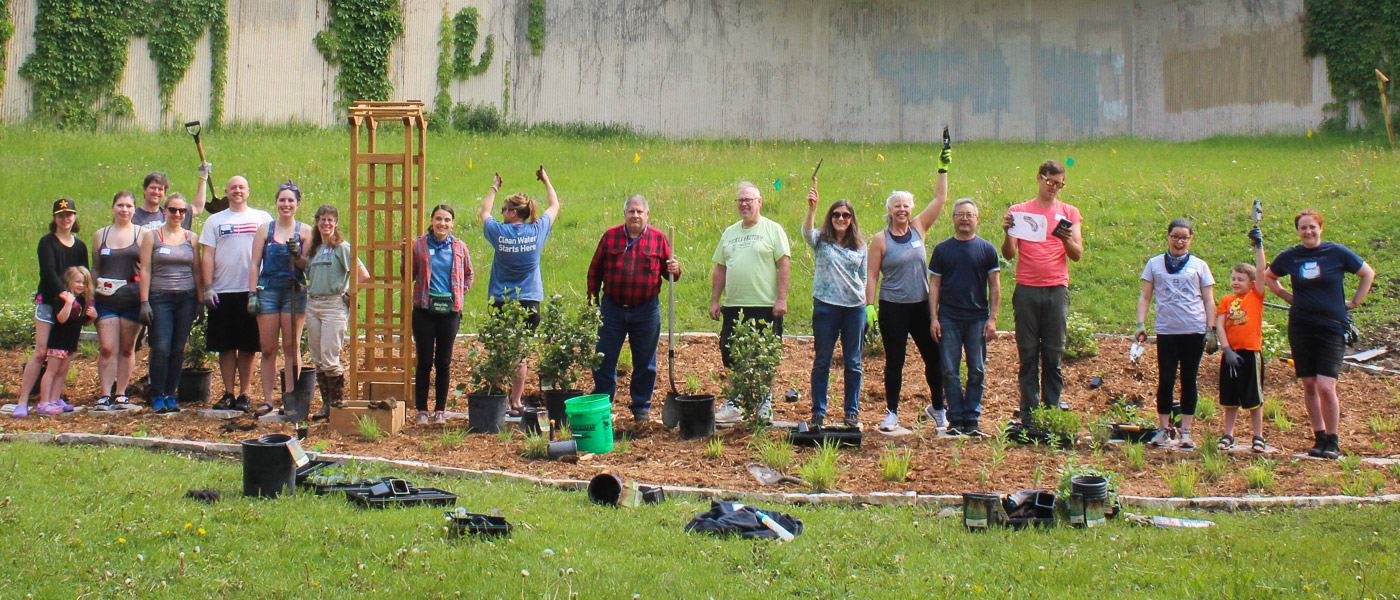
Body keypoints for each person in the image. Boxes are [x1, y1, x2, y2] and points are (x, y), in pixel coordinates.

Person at [1264, 209, 1375, 459]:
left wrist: (1355, 302)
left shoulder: (1336, 253)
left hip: (1331, 327)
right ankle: (1319, 437)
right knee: (1310, 384)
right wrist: (1286, 295)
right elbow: (1269, 276)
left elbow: (1367, 273)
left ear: (1320, 228)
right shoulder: (1291, 256)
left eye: (1312, 227)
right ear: (1298, 232)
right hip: (1301, 326)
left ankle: (1333, 440)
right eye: (1303, 228)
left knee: (1326, 385)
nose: (1308, 232)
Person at [865, 148, 951, 431]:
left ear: (911, 209)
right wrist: (869, 306)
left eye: (906, 205)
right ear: (889, 210)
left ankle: (938, 409)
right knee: (895, 361)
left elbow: (940, 199)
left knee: (934, 358)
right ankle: (891, 412)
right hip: (893, 307)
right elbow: (873, 275)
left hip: (921, 306)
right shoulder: (880, 239)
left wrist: (942, 168)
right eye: (896, 206)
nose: (902, 210)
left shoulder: (919, 228)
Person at [1001, 159, 1084, 421]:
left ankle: (1051, 409)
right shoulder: (1021, 211)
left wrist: (1066, 239)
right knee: (1027, 352)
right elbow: (1009, 254)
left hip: (1056, 288)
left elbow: (1077, 255)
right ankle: (1028, 410)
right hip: (1026, 288)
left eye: (1059, 184)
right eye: (1050, 182)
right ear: (1039, 178)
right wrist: (1007, 232)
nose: (1054, 188)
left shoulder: (1069, 212)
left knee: (1053, 352)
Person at [586, 194, 681, 422]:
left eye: (640, 212)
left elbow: (672, 276)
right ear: (625, 214)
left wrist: (675, 269)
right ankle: (603, 403)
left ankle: (641, 407)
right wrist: (592, 301)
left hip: (645, 310)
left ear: (647, 214)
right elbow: (595, 270)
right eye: (632, 211)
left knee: (645, 362)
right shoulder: (611, 237)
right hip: (613, 309)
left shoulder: (659, 239)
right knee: (603, 358)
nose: (635, 215)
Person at [709, 181, 792, 424]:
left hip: (765, 306)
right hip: (734, 306)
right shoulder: (730, 233)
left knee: (763, 356)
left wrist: (781, 298)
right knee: (732, 356)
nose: (744, 204)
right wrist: (716, 300)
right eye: (740, 200)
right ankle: (734, 404)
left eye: (749, 200)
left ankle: (763, 403)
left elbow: (784, 265)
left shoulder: (773, 230)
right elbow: (720, 268)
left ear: (760, 202)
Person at [480, 169, 560, 416]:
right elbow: (555, 205)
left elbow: (483, 212)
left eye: (504, 209)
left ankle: (496, 398)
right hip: (529, 301)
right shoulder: (537, 231)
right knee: (520, 353)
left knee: (499, 349)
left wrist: (494, 187)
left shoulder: (499, 233)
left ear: (513, 212)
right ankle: (515, 402)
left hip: (503, 301)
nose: (500, 213)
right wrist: (547, 180)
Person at [1134, 218, 1216, 450]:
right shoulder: (1154, 264)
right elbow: (1146, 296)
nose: (1179, 242)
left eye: (1184, 237)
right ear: (1168, 236)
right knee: (1166, 380)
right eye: (1175, 237)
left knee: (1189, 379)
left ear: (1191, 239)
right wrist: (1141, 323)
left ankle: (1186, 432)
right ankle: (1163, 429)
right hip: (1167, 331)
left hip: (1194, 329)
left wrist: (1211, 330)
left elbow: (1209, 299)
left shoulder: (1199, 265)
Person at [928, 198, 1000, 437]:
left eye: (969, 214)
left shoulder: (987, 249)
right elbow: (934, 286)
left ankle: (972, 418)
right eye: (960, 214)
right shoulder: (942, 250)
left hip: (977, 319)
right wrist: (933, 318)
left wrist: (993, 318)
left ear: (977, 219)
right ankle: (955, 419)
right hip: (948, 318)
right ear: (953, 219)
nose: (965, 218)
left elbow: (995, 285)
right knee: (949, 370)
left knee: (977, 370)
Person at [200, 176, 272, 412]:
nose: (237, 191)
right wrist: (208, 286)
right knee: (226, 345)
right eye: (233, 188)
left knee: (248, 345)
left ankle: (245, 394)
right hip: (223, 290)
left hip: (252, 290)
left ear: (249, 191)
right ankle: (228, 392)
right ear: (226, 192)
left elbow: (272, 251)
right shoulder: (214, 221)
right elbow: (208, 255)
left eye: (241, 187)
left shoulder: (262, 218)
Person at [14, 199, 89, 418]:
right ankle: (23, 400)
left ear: (74, 217)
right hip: (50, 302)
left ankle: (54, 397)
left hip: (71, 306)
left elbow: (85, 274)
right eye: (61, 215)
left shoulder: (80, 246)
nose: (65, 219)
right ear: (54, 218)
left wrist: (83, 303)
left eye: (69, 215)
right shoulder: (47, 242)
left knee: (65, 353)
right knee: (40, 351)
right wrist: (65, 295)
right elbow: (48, 272)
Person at [801, 185, 866, 429]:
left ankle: (851, 412)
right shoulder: (821, 240)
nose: (840, 218)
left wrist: (866, 305)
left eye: (845, 215)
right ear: (830, 218)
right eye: (836, 214)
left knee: (853, 362)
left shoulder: (860, 245)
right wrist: (812, 209)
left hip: (854, 309)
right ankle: (818, 412)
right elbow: (806, 233)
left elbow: (864, 276)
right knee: (822, 361)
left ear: (851, 219)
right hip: (826, 308)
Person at [248, 182, 314, 417]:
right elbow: (255, 263)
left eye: (290, 201)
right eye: (282, 200)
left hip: (293, 293)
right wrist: (252, 293)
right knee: (268, 348)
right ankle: (267, 400)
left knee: (290, 346)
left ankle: (290, 398)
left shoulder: (305, 232)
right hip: (268, 291)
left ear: (297, 204)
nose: (286, 205)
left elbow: (308, 267)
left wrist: (298, 255)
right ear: (276, 203)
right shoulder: (265, 230)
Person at [138, 193, 203, 414]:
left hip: (186, 297)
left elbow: (197, 270)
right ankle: (157, 394)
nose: (177, 214)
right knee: (162, 348)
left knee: (178, 349)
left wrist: (200, 301)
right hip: (160, 297)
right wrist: (144, 301)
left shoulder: (191, 238)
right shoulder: (152, 236)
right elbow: (145, 269)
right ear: (164, 211)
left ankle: (170, 393)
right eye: (173, 210)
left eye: (181, 211)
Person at [305, 204, 371, 420]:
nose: (326, 223)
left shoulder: (342, 247)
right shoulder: (314, 249)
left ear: (336, 223)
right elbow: (305, 272)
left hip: (333, 304)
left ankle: (337, 404)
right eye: (322, 219)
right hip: (313, 304)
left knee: (330, 355)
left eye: (330, 220)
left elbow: (363, 274)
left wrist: (350, 294)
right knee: (317, 356)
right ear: (316, 222)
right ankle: (326, 405)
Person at [91, 191, 152, 410]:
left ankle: (120, 393)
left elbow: (146, 269)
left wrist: (145, 301)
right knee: (107, 348)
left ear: (134, 209)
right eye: (120, 205)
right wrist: (91, 298)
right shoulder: (101, 234)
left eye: (128, 206)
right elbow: (96, 267)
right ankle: (104, 394)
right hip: (106, 300)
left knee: (127, 348)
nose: (124, 210)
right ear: (113, 207)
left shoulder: (143, 234)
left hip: (132, 299)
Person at [1215, 224, 1270, 453]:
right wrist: (1226, 349)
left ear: (1252, 283)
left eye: (1241, 279)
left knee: (1253, 397)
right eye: (1233, 278)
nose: (1236, 282)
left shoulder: (1255, 296)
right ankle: (1228, 434)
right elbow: (1219, 323)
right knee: (1230, 398)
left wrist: (1259, 246)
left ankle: (1258, 436)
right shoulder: (1227, 299)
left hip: (1250, 352)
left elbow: (1261, 269)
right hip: (1231, 353)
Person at [34, 267, 98, 415]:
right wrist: (69, 303)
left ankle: (55, 399)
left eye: (84, 283)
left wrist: (93, 317)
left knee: (62, 371)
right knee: (52, 371)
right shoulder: (62, 299)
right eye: (78, 282)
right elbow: (61, 318)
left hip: (70, 342)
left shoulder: (82, 300)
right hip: (58, 341)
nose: (81, 285)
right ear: (69, 281)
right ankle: (44, 402)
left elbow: (81, 322)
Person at [131, 164, 210, 230]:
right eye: (152, 188)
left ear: (164, 193)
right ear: (145, 190)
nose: (156, 192)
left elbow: (197, 207)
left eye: (160, 189)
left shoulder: (172, 213)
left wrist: (203, 177)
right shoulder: (133, 216)